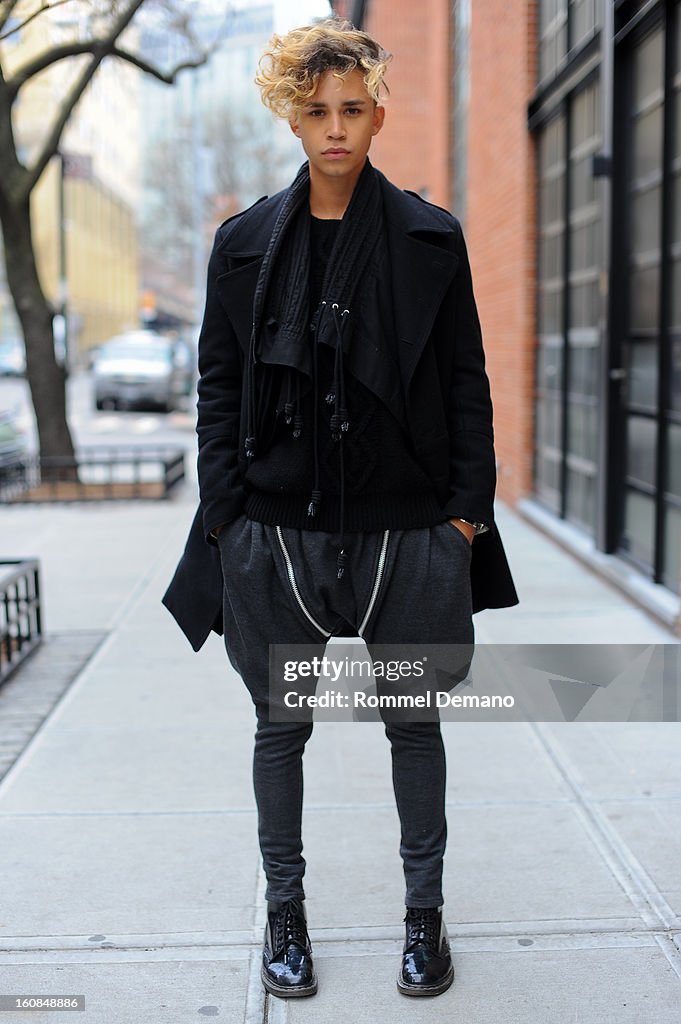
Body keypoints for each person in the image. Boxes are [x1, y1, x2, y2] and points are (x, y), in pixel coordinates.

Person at [163, 15, 519, 1000]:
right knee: (280, 730)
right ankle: (286, 914)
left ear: (377, 114)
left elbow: (465, 384)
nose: (334, 129)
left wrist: (462, 520)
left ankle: (424, 919)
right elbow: (219, 386)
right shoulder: (241, 246)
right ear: (290, 115)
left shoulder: (429, 239)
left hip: (409, 538)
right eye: (316, 110)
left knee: (413, 724)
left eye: (352, 110)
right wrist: (229, 519)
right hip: (277, 539)